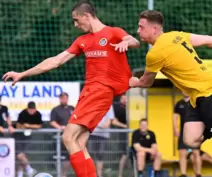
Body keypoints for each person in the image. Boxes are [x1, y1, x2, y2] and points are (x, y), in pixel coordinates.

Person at [2, 0, 140, 176]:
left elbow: (133, 40)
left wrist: (126, 42)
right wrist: (23, 74)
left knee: (67, 137)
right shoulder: (82, 41)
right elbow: (56, 60)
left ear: (87, 16)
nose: (75, 24)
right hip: (90, 93)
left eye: (76, 20)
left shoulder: (112, 32)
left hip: (99, 91)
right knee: (79, 143)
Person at [130, 10, 212, 177]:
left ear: (155, 29)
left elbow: (146, 82)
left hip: (211, 92)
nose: (138, 31)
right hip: (197, 97)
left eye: (141, 26)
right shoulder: (176, 35)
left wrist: (132, 82)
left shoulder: (155, 53)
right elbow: (208, 40)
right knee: (189, 140)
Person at [173, 93, 201, 177]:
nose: (184, 91)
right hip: (183, 132)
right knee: (182, 153)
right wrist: (175, 128)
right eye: (182, 90)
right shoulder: (179, 104)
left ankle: (198, 174)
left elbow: (201, 116)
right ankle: (183, 174)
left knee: (196, 153)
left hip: (195, 132)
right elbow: (175, 117)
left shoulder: (195, 102)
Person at [15, 101, 43, 177]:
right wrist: (22, 127)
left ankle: (20, 174)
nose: (31, 111)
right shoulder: (23, 113)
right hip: (19, 136)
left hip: (28, 137)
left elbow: (39, 126)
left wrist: (28, 126)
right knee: (19, 155)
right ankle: (29, 169)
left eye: (33, 110)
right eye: (30, 109)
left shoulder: (38, 114)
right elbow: (18, 125)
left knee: (23, 156)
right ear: (27, 109)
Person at [50, 92, 74, 177]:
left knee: (69, 157)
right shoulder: (55, 110)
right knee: (59, 156)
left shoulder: (72, 108)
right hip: (59, 138)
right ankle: (59, 174)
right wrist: (61, 127)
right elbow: (52, 122)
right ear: (60, 99)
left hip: (71, 138)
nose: (64, 100)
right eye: (62, 98)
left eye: (66, 98)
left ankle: (64, 174)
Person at [88, 105, 115, 177]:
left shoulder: (109, 105)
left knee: (100, 155)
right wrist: (98, 125)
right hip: (92, 134)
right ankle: (91, 174)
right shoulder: (92, 103)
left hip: (103, 135)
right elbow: (89, 120)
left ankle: (99, 175)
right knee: (90, 154)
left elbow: (107, 123)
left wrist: (96, 125)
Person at [112, 95, 129, 177]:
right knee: (124, 153)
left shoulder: (130, 107)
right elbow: (114, 121)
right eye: (123, 98)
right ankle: (120, 174)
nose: (125, 100)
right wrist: (125, 126)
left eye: (126, 98)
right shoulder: (116, 107)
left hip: (131, 133)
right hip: (122, 134)